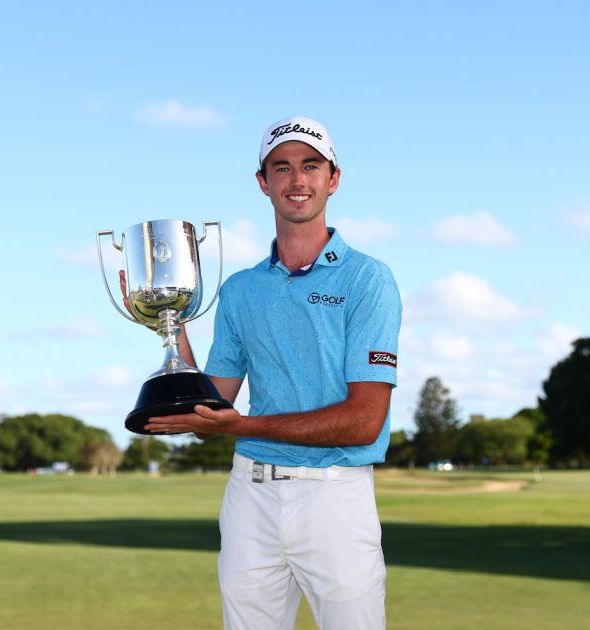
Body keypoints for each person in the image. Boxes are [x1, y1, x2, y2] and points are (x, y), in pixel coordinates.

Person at [144, 116, 402, 630]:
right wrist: (168, 325)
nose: (296, 180)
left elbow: (363, 421)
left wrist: (238, 427)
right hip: (251, 495)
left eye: (311, 166)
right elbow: (213, 405)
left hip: (335, 494)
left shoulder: (368, 279)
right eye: (281, 168)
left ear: (334, 178)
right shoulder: (240, 290)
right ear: (263, 183)